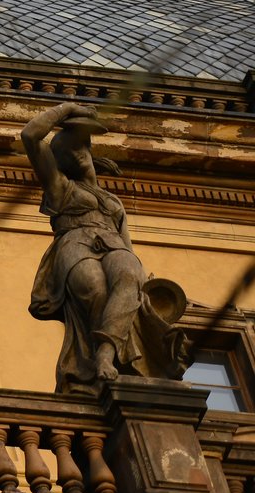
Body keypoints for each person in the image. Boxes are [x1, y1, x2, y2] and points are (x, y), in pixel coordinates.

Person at [22, 102, 188, 394]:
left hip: (114, 244)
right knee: (96, 291)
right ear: (63, 158)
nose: (81, 151)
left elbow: (128, 245)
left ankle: (106, 353)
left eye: (84, 146)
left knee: (128, 279)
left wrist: (144, 286)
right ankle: (96, 363)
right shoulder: (60, 187)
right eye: (73, 149)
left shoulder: (113, 201)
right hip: (75, 243)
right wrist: (66, 109)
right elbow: (30, 136)